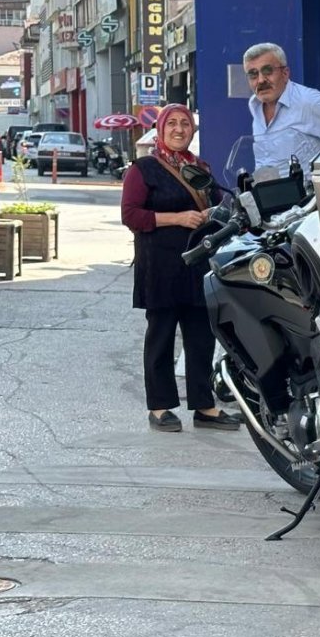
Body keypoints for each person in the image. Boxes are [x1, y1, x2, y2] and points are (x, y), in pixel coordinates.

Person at [121, 104, 242, 434]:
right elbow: (131, 215)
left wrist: (215, 213)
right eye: (171, 123)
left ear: (192, 130)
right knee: (160, 337)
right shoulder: (143, 169)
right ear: (160, 130)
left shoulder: (199, 167)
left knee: (201, 338)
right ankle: (160, 408)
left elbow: (220, 201)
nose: (179, 129)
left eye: (185, 124)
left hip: (197, 265)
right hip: (159, 266)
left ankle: (204, 407)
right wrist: (177, 218)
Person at [242, 43, 320, 180]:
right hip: (269, 198)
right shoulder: (256, 107)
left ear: (285, 73)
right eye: (253, 74)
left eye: (267, 71)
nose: (260, 80)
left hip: (310, 199)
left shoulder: (309, 103)